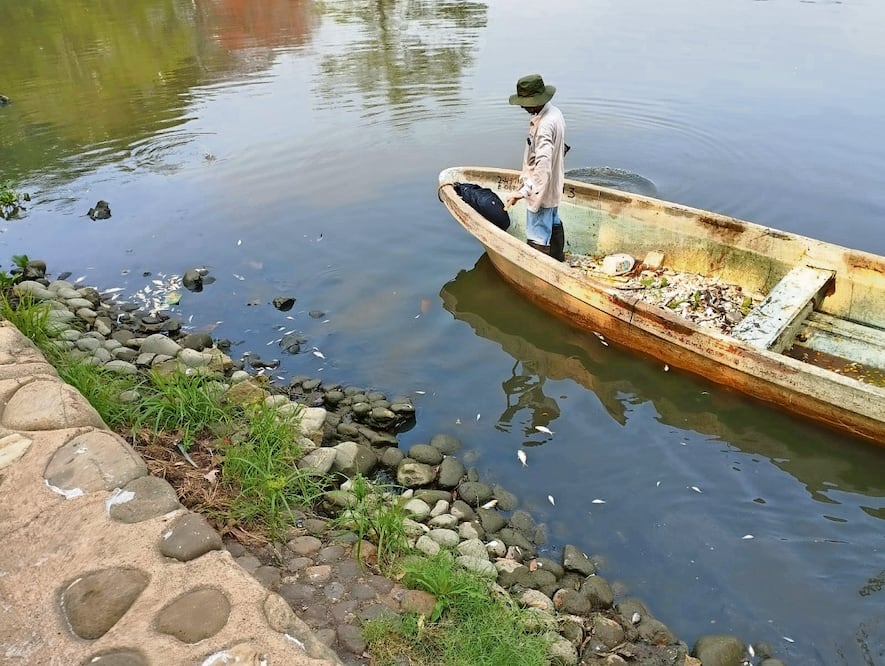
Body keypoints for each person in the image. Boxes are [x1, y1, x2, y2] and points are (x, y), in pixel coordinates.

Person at [505, 73, 567, 261]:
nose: (522, 107)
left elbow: (543, 166)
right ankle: (558, 259)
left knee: (537, 233)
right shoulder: (555, 113)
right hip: (554, 185)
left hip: (540, 188)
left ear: (534, 101)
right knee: (553, 220)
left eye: (524, 103)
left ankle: (539, 271)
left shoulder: (544, 126)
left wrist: (524, 191)